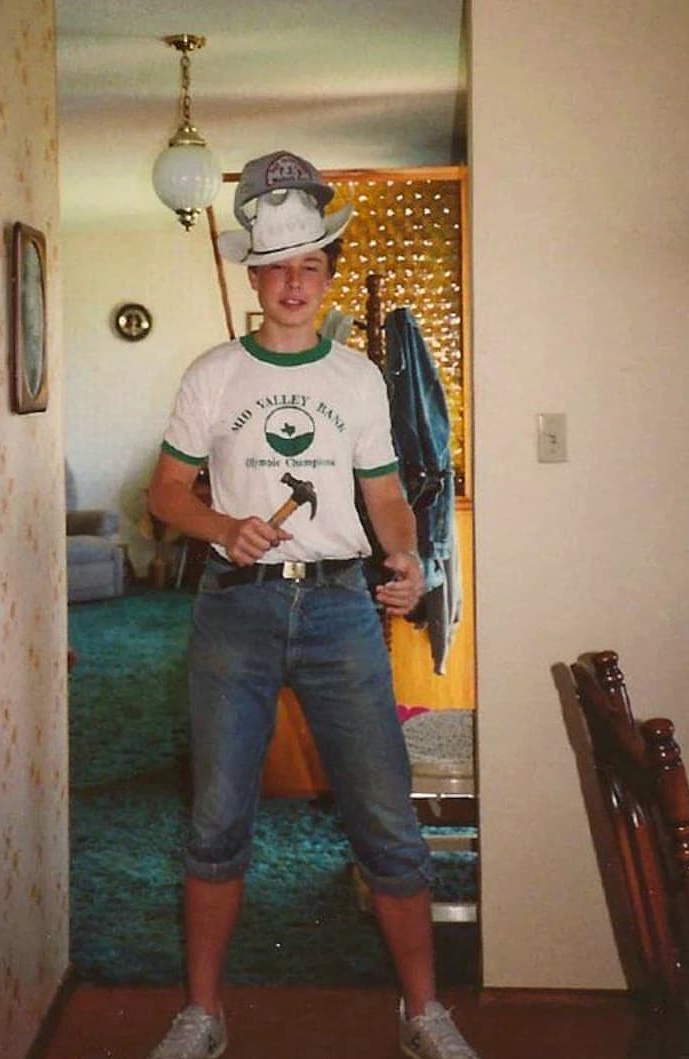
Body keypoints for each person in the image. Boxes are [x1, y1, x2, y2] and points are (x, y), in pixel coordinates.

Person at [146, 149, 481, 1059]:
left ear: (325, 273)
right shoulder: (212, 373)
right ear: (251, 276)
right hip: (234, 611)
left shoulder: (357, 379)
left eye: (310, 265)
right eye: (276, 267)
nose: (293, 283)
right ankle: (202, 1014)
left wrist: (405, 551)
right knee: (217, 817)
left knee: (384, 818)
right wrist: (220, 526)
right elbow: (165, 495)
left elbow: (382, 495)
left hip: (339, 613)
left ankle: (422, 1012)